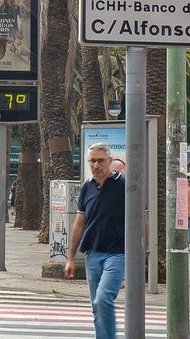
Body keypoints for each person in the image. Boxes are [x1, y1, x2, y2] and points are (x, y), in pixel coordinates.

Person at [65, 143, 125, 339]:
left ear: (110, 160)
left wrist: (141, 254)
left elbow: (142, 220)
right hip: (93, 254)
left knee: (102, 299)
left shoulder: (124, 185)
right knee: (96, 307)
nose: (95, 165)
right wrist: (71, 258)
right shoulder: (87, 187)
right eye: (92, 161)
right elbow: (79, 224)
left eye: (100, 160)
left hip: (118, 254)